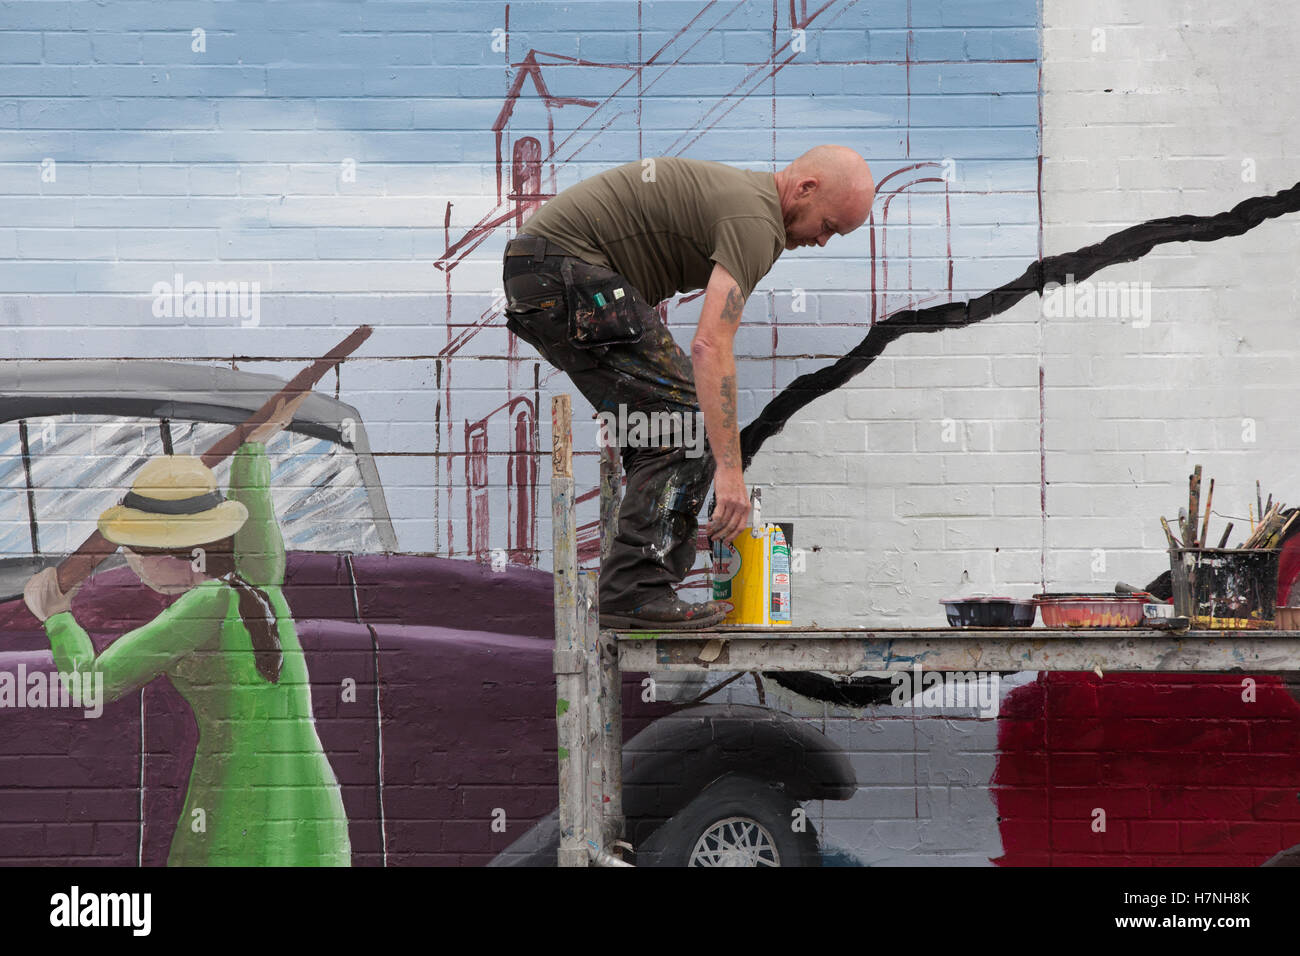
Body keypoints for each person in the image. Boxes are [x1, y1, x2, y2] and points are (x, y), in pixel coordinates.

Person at [502, 145, 875, 629]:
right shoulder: (757, 222)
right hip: (562, 271)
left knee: (657, 429)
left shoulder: (749, 208)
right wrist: (730, 472)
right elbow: (710, 345)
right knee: (685, 421)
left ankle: (631, 591)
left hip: (543, 273)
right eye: (827, 226)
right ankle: (634, 592)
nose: (822, 241)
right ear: (805, 188)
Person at [22, 394, 352, 866]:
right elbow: (253, 510)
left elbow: (92, 683)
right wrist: (253, 448)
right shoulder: (260, 577)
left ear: (159, 551)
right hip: (309, 802)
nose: (129, 562)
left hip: (239, 800)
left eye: (130, 550)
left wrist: (56, 617)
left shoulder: (203, 605)